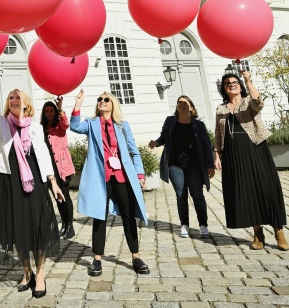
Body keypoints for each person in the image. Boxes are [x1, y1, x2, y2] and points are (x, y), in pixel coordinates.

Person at [0, 89, 64, 299]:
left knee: (38, 227)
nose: (13, 100)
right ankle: (26, 272)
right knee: (18, 228)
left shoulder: (36, 127)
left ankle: (40, 275)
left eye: (17, 97)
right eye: (10, 98)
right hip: (10, 182)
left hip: (35, 183)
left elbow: (44, 155)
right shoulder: (2, 123)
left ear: (25, 103)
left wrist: (53, 183)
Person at [70, 89, 150, 277]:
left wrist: (140, 174)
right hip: (101, 178)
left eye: (106, 99)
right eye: (99, 99)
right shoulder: (91, 124)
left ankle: (136, 256)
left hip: (122, 176)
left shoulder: (122, 125)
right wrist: (77, 105)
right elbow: (74, 127)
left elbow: (133, 150)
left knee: (128, 216)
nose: (102, 101)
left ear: (113, 104)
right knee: (99, 216)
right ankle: (97, 259)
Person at [214, 70, 289, 251]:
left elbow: (258, 102)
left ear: (239, 85)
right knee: (247, 191)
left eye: (234, 82)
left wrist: (248, 80)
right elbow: (218, 133)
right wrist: (217, 154)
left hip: (254, 147)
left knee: (267, 188)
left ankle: (278, 231)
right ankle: (258, 233)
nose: (231, 84)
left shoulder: (248, 102)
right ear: (224, 89)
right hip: (233, 153)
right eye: (227, 83)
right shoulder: (221, 109)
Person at [149, 95, 215, 239]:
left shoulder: (198, 125)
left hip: (195, 166)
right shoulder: (170, 121)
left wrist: (210, 165)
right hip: (174, 165)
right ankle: (184, 224)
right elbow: (163, 137)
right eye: (179, 102)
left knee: (197, 195)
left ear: (191, 107)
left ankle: (203, 225)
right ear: (176, 107)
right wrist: (156, 143)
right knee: (181, 195)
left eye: (185, 102)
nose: (181, 104)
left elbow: (206, 146)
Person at [40, 96, 76, 240]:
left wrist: (60, 109)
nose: (49, 113)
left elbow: (66, 123)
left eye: (51, 111)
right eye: (47, 111)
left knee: (65, 197)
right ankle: (64, 224)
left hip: (63, 166)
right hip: (50, 168)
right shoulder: (42, 129)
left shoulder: (59, 127)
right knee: (58, 198)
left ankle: (70, 226)